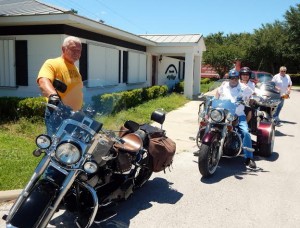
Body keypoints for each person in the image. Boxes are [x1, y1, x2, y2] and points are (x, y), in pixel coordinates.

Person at [37, 36, 83, 134]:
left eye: (79, 51)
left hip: (75, 114)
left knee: (72, 145)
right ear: (63, 49)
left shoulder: (76, 69)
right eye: (73, 49)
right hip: (58, 113)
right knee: (56, 144)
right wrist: (53, 96)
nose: (76, 53)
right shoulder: (52, 63)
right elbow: (43, 80)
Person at [215, 69, 256, 169]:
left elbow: (253, 95)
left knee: (245, 132)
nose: (234, 80)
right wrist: (215, 100)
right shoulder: (224, 85)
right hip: (223, 113)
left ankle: (249, 158)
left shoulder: (244, 87)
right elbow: (217, 92)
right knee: (208, 122)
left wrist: (250, 100)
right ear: (229, 78)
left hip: (238, 114)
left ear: (238, 78)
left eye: (236, 78)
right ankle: (204, 146)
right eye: (232, 78)